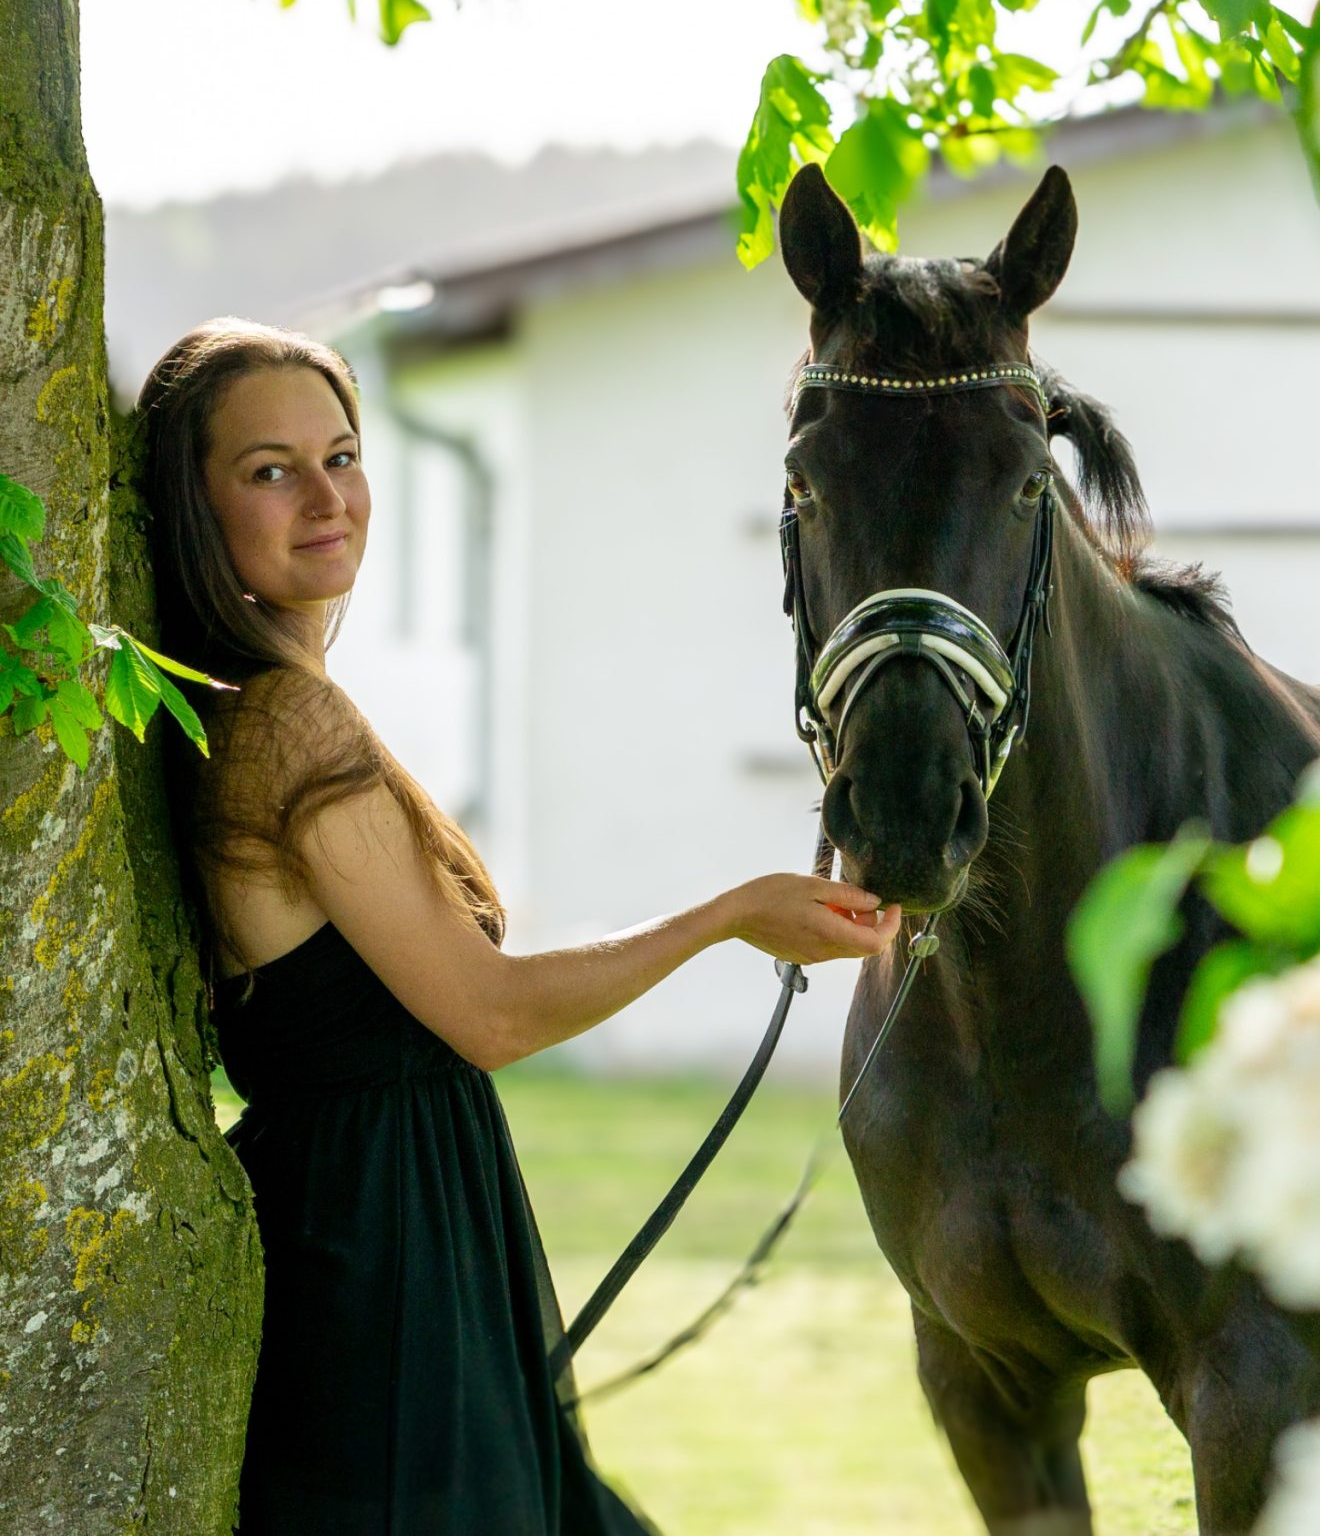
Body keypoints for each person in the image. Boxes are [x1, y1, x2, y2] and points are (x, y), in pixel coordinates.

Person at [136, 318, 900, 1536]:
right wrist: (730, 917)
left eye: (342, 456)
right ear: (194, 504)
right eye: (270, 470)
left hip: (395, 1231)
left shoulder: (269, 707)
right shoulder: (285, 725)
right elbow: (488, 1014)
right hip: (383, 1267)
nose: (326, 498)